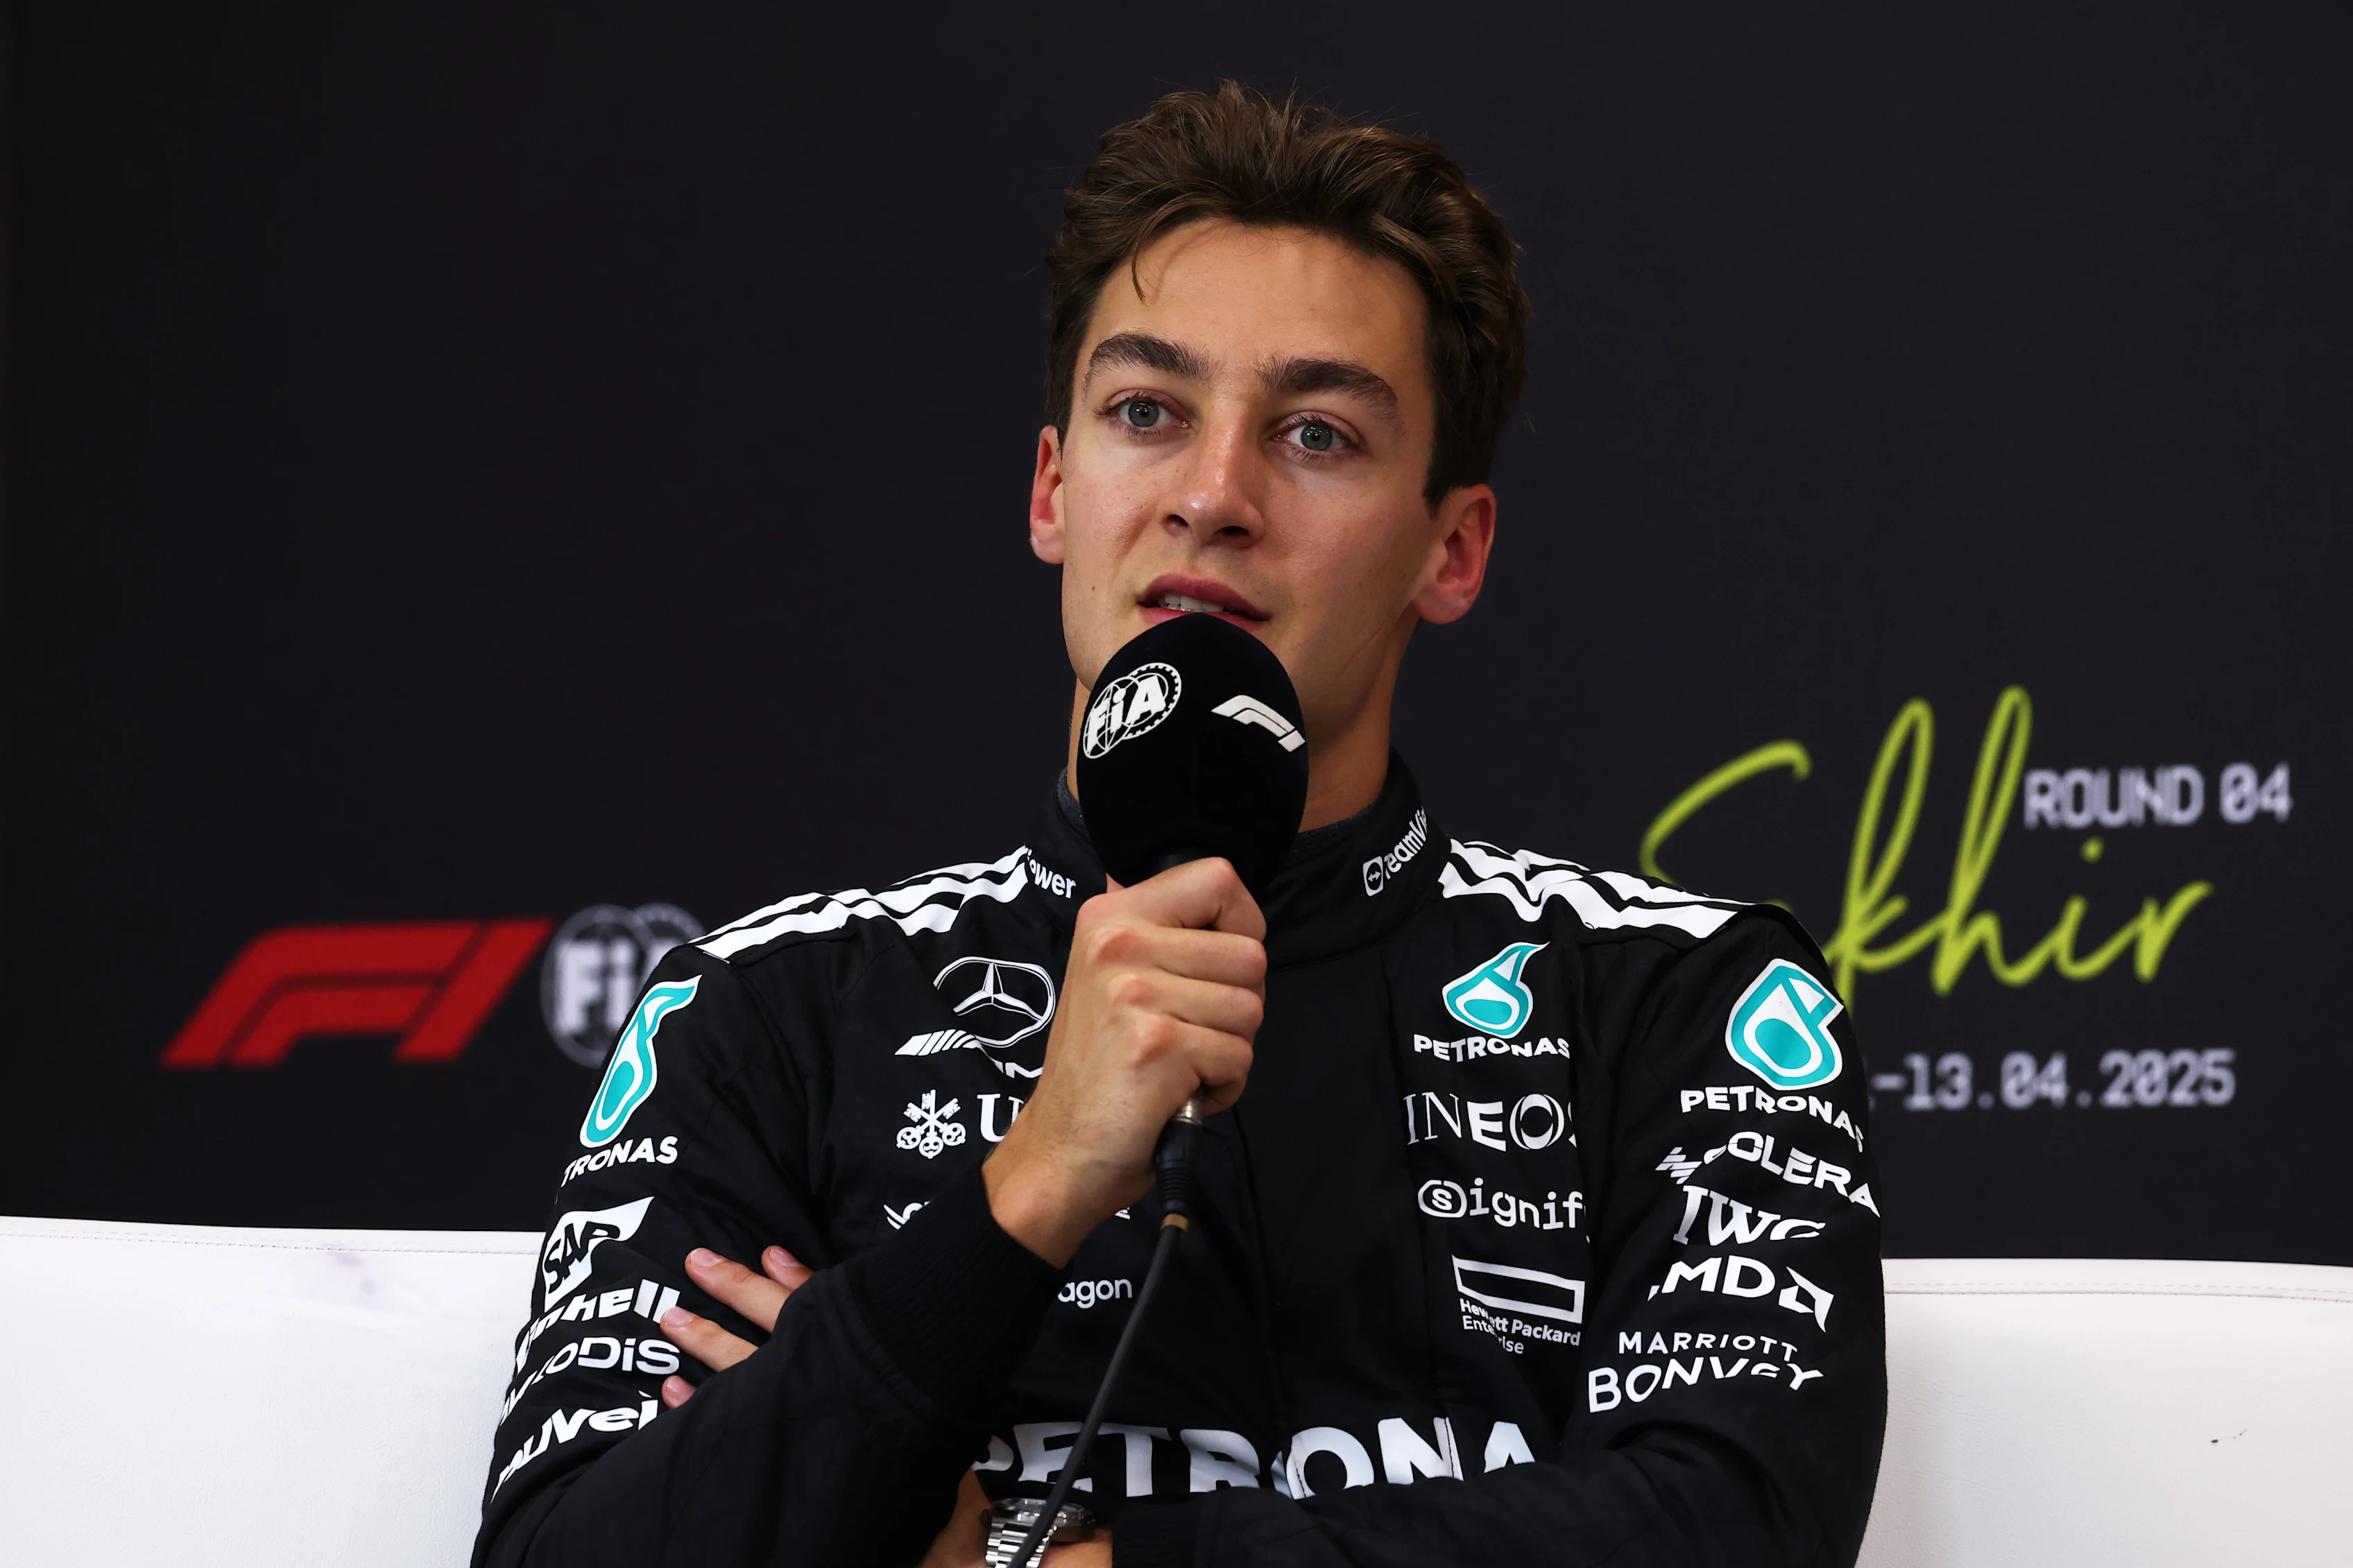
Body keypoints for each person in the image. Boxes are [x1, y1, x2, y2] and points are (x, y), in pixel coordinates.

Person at [473, 80, 1886, 1568]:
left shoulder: (1682, 1000)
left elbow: (1735, 1523)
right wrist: (1032, 1182)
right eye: (1147, 412)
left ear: (1452, 548)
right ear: (1053, 489)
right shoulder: (767, 1013)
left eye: (1318, 434)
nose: (1214, 495)